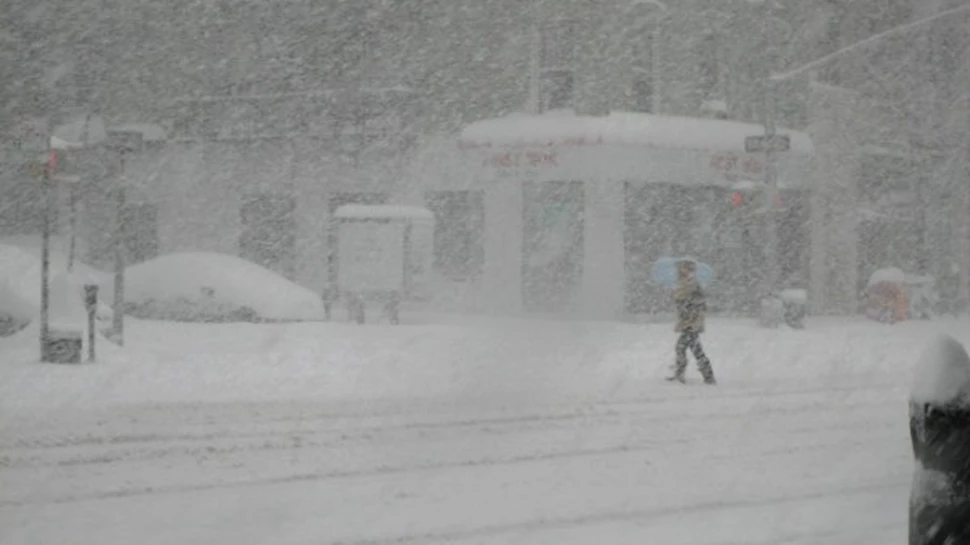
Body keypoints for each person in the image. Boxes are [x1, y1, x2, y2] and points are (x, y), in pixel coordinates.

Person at [666, 260, 717, 385]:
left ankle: (683, 374)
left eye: (682, 268)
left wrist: (684, 304)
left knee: (683, 348)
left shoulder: (692, 284)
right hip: (688, 322)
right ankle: (707, 375)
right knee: (693, 349)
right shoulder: (683, 283)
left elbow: (698, 302)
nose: (679, 271)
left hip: (691, 322)